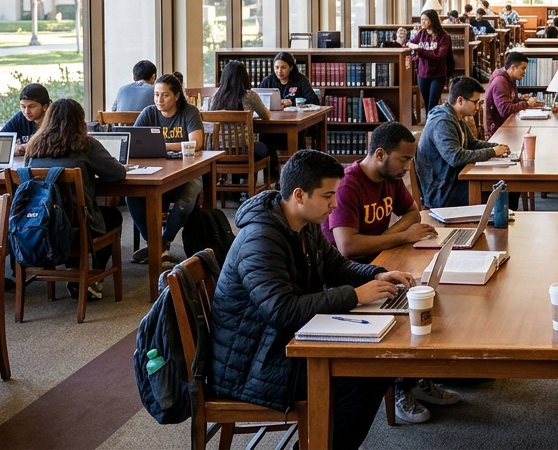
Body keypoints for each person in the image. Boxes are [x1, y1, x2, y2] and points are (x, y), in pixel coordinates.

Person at [208, 149, 418, 450]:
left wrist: (378, 274)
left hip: (280, 343)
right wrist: (354, 295)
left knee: (371, 366)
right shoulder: (261, 239)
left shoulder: (302, 225)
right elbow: (281, 311)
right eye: (328, 196)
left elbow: (337, 266)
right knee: (365, 375)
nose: (335, 204)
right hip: (253, 361)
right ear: (299, 195)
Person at [320, 122, 458, 424]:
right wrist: (401, 236)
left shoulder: (390, 176)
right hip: (346, 277)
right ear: (380, 153)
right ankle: (399, 385)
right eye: (404, 160)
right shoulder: (348, 185)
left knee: (428, 293)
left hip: (382, 261)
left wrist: (392, 233)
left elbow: (413, 213)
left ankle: (419, 375)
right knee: (407, 306)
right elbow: (347, 246)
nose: (408, 169)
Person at [24, 98, 126, 300]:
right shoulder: (86, 145)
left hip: (43, 223)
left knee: (70, 214)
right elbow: (117, 174)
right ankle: (94, 275)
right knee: (113, 216)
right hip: (79, 227)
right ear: (80, 121)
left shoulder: (33, 147)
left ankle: (73, 271)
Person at [130, 73, 205, 266]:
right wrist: (173, 145)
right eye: (156, 95)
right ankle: (156, 245)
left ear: (177, 96)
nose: (159, 100)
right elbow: (133, 142)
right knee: (132, 195)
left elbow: (196, 143)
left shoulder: (189, 112)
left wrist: (163, 145)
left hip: (187, 170)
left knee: (189, 193)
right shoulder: (148, 113)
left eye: (165, 95)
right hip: (155, 171)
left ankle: (164, 241)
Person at [415, 77, 508, 208]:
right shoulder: (442, 122)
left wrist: (497, 147)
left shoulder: (456, 117)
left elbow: (472, 144)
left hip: (454, 181)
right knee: (500, 191)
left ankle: (497, 223)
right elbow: (455, 157)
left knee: (502, 186)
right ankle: (492, 225)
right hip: (442, 192)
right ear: (460, 100)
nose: (477, 107)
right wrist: (492, 151)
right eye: (475, 102)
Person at [208, 60, 276, 183]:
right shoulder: (249, 95)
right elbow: (266, 116)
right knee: (265, 146)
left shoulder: (214, 98)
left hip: (218, 152)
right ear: (245, 77)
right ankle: (252, 184)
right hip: (244, 152)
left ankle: (231, 187)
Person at [407, 10, 452, 122]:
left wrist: (419, 49)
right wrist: (411, 45)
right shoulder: (421, 33)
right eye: (421, 19)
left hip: (438, 74)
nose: (422, 22)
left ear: (432, 20)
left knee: (433, 103)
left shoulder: (444, 36)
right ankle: (429, 124)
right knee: (426, 102)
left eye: (425, 19)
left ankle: (431, 125)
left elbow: (439, 56)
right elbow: (410, 42)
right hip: (422, 73)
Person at [485, 52, 542, 136]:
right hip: (498, 132)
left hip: (507, 126)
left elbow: (511, 102)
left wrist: (522, 100)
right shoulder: (500, 82)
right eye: (523, 68)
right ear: (513, 67)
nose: (524, 72)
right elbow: (505, 110)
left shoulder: (510, 79)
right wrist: (526, 104)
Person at [1, 83, 51, 148]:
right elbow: (0, 140)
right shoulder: (20, 118)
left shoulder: (56, 118)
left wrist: (27, 147)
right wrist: (13, 148)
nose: (26, 112)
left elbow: (57, 144)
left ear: (45, 107)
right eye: (23, 107)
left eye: (31, 106)